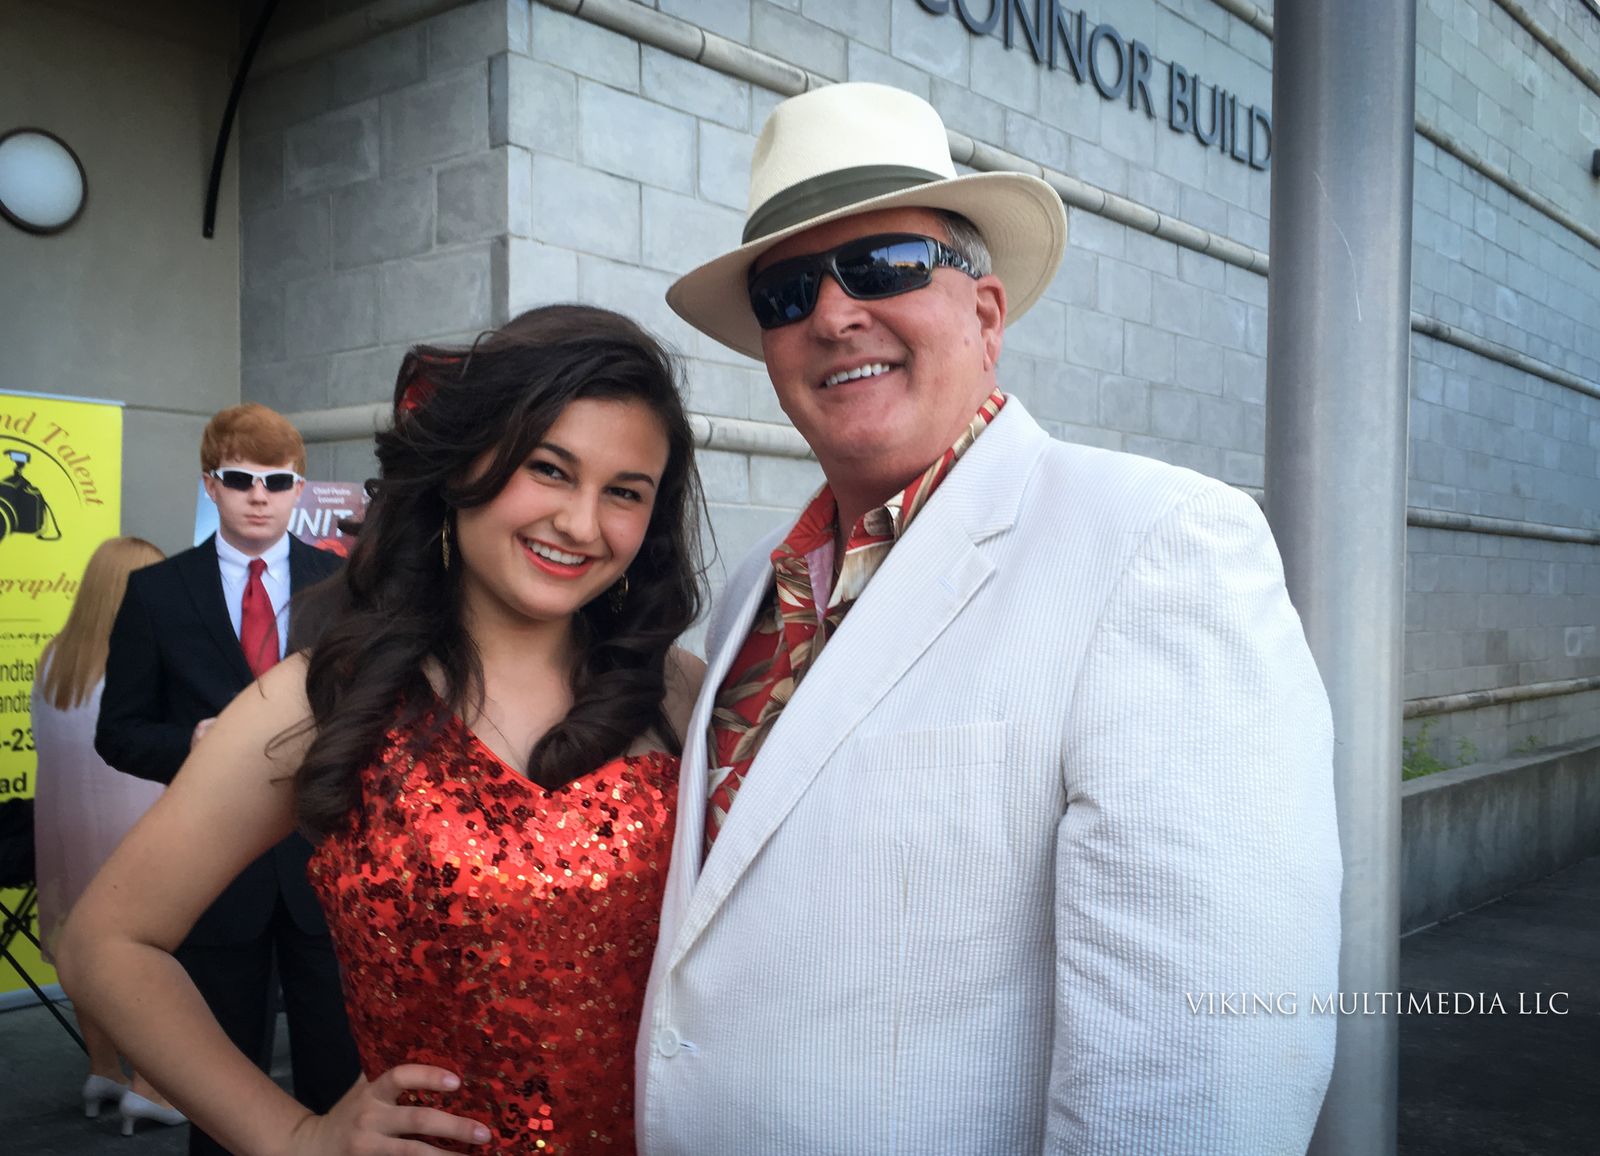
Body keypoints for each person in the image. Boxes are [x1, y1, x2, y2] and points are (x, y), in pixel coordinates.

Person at [637, 82, 1344, 1154]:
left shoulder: (1156, 545)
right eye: (786, 292)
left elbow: (1203, 1073)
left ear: (985, 313)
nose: (833, 314)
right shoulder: (752, 594)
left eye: (886, 265)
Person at [63, 304, 706, 1155]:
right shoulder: (320, 699)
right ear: (463, 464)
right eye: (549, 470)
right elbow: (105, 942)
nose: (582, 524)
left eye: (624, 492)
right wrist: (293, 1136)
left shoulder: (682, 692)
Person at [93, 402, 357, 1150]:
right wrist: (194, 743)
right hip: (211, 872)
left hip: (324, 867)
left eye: (277, 481)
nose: (258, 496)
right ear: (211, 484)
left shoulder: (344, 587)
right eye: (240, 479)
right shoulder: (158, 592)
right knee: (221, 1092)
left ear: (299, 487)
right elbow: (119, 733)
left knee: (341, 1078)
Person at [31, 535, 185, 1133]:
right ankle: (151, 1084)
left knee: (85, 951)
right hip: (140, 836)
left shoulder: (53, 662)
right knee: (151, 961)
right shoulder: (143, 669)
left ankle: (104, 1070)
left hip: (70, 837)